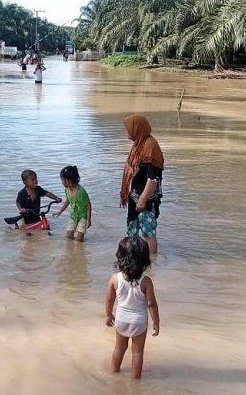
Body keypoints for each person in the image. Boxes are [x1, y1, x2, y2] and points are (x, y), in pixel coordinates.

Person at [105, 236, 160, 379]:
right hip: (139, 322)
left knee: (119, 348)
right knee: (137, 353)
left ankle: (114, 374)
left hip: (121, 320)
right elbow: (151, 304)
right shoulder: (146, 281)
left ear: (120, 258)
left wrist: (108, 315)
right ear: (144, 260)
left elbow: (110, 299)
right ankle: (136, 380)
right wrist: (156, 322)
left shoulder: (115, 279)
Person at [120, 114, 164, 255]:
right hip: (135, 197)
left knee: (148, 234)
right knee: (132, 231)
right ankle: (134, 261)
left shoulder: (150, 147)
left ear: (137, 129)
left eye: (128, 129)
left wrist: (143, 199)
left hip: (146, 199)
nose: (126, 132)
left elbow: (153, 178)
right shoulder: (138, 145)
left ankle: (151, 265)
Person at [53, 166, 92, 242]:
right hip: (73, 216)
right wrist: (60, 211)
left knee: (80, 239)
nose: (62, 182)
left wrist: (88, 219)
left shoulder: (81, 192)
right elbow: (68, 200)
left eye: (62, 180)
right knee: (69, 237)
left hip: (82, 217)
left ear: (68, 181)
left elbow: (88, 205)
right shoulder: (67, 190)